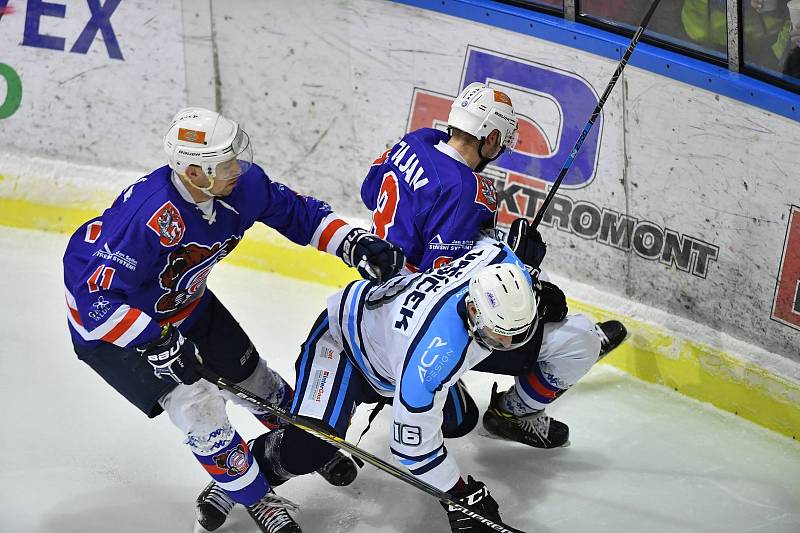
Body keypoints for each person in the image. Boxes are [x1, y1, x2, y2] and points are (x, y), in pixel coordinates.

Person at [62, 107, 404, 533]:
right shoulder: (147, 217)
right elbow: (92, 299)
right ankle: (258, 497)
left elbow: (297, 213)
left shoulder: (241, 186)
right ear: (193, 172)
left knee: (252, 378)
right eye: (224, 163)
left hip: (185, 303)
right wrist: (156, 340)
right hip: (116, 333)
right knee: (199, 406)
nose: (236, 168)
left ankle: (302, 443)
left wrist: (352, 242)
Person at [246, 236, 604, 532]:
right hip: (344, 347)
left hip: (395, 346)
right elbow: (412, 448)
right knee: (310, 447)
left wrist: (537, 288)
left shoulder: (500, 265)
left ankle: (501, 411)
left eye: (516, 334)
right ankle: (239, 472)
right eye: (501, 337)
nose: (509, 345)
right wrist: (460, 495)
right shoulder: (434, 355)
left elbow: (502, 250)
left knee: (459, 421)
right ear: (475, 314)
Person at [360, 82, 627, 449]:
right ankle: (513, 413)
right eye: (502, 142)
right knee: (577, 341)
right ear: (492, 137)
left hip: (378, 293)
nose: (500, 150)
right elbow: (442, 281)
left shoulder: (417, 140)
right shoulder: (468, 190)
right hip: (417, 321)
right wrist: (522, 274)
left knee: (540, 285)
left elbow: (368, 191)